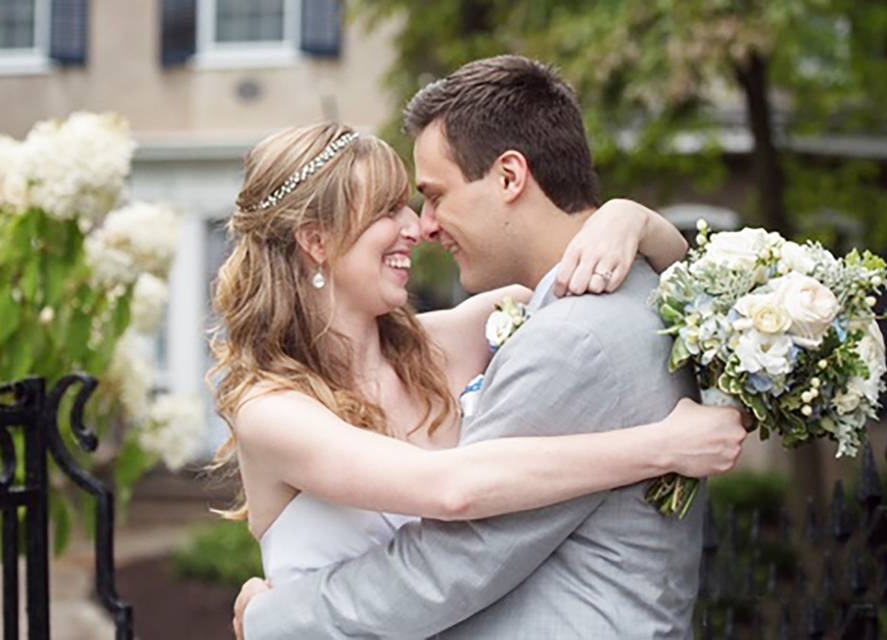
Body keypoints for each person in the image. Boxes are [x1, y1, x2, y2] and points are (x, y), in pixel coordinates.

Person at [231, 57, 748, 640]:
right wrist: (663, 446)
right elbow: (455, 491)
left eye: (420, 200)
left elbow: (656, 299)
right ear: (317, 241)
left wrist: (632, 220)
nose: (418, 227)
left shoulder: (456, 334)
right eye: (387, 210)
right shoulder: (270, 411)